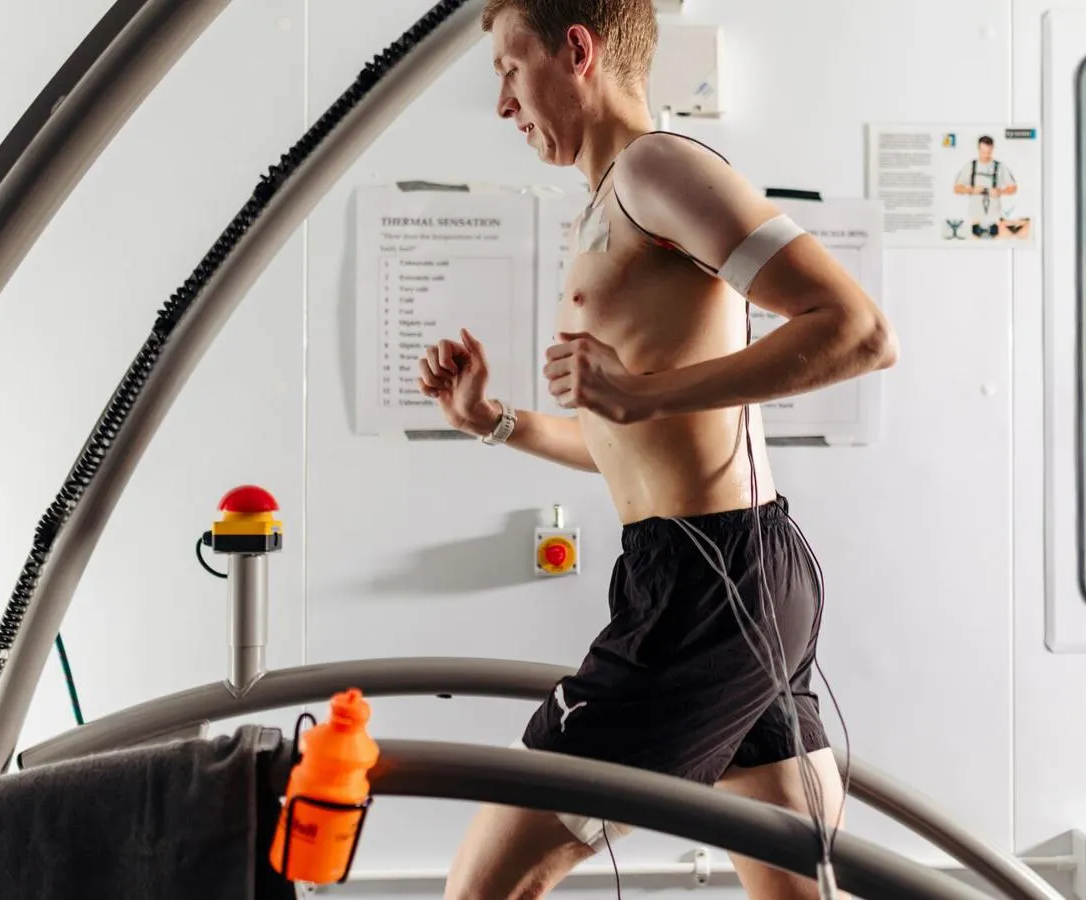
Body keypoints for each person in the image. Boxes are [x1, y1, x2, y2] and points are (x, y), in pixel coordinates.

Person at [414, 1, 898, 897]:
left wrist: (639, 392)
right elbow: (631, 450)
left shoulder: (658, 169)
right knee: (795, 890)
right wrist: (493, 420)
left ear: (578, 50)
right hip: (721, 570)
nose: (503, 105)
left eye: (509, 71)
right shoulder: (609, 204)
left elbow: (857, 330)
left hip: (707, 581)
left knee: (481, 888)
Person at [952, 135, 1017, 238]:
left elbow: (1013, 188)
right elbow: (956, 188)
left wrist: (1000, 192)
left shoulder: (1000, 166)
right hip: (975, 217)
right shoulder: (971, 165)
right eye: (983, 152)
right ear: (978, 148)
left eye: (988, 152)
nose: (985, 155)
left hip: (995, 218)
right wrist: (972, 190)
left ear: (992, 149)